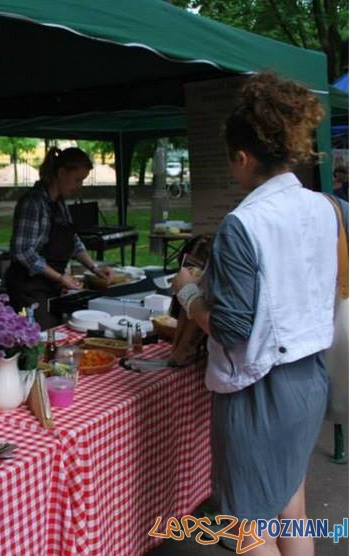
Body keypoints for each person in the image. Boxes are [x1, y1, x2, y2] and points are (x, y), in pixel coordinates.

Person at [171, 72, 347, 556]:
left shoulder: (242, 225)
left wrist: (188, 293)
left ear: (243, 157)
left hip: (258, 391)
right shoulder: (330, 208)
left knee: (245, 528)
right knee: (291, 504)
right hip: (309, 379)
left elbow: (231, 328)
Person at [5, 146, 110, 329]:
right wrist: (61, 278)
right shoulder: (33, 203)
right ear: (61, 173)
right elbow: (22, 252)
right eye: (77, 180)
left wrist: (94, 268)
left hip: (49, 288)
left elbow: (73, 242)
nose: (80, 186)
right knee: (39, 340)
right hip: (27, 289)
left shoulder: (59, 204)